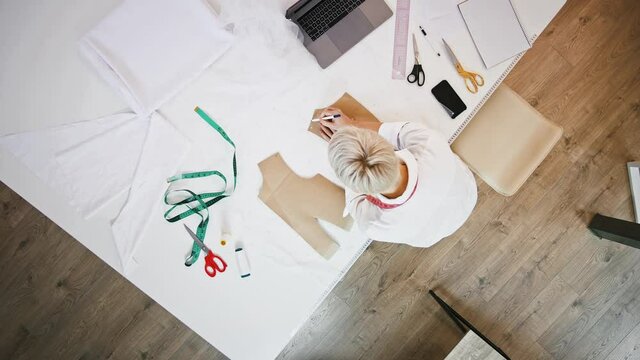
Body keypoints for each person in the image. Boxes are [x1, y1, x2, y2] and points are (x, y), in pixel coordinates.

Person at [319, 107, 477, 247]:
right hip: (467, 194)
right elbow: (393, 131)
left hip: (433, 233)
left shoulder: (373, 225)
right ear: (386, 145)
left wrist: (344, 150)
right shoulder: (429, 143)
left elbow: (354, 198)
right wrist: (352, 126)